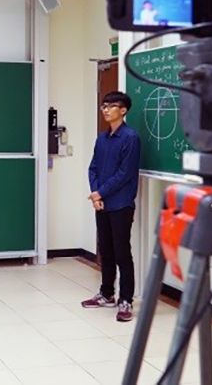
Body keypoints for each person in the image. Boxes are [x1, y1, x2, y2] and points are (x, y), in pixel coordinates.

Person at [81, 91, 142, 322]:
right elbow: (93, 168)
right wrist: (96, 195)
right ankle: (106, 293)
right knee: (105, 250)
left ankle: (126, 300)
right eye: (103, 106)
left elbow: (125, 173)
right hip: (102, 203)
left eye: (111, 106)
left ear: (123, 110)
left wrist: (100, 192)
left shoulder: (130, 138)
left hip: (121, 204)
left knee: (121, 252)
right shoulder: (102, 138)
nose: (105, 110)